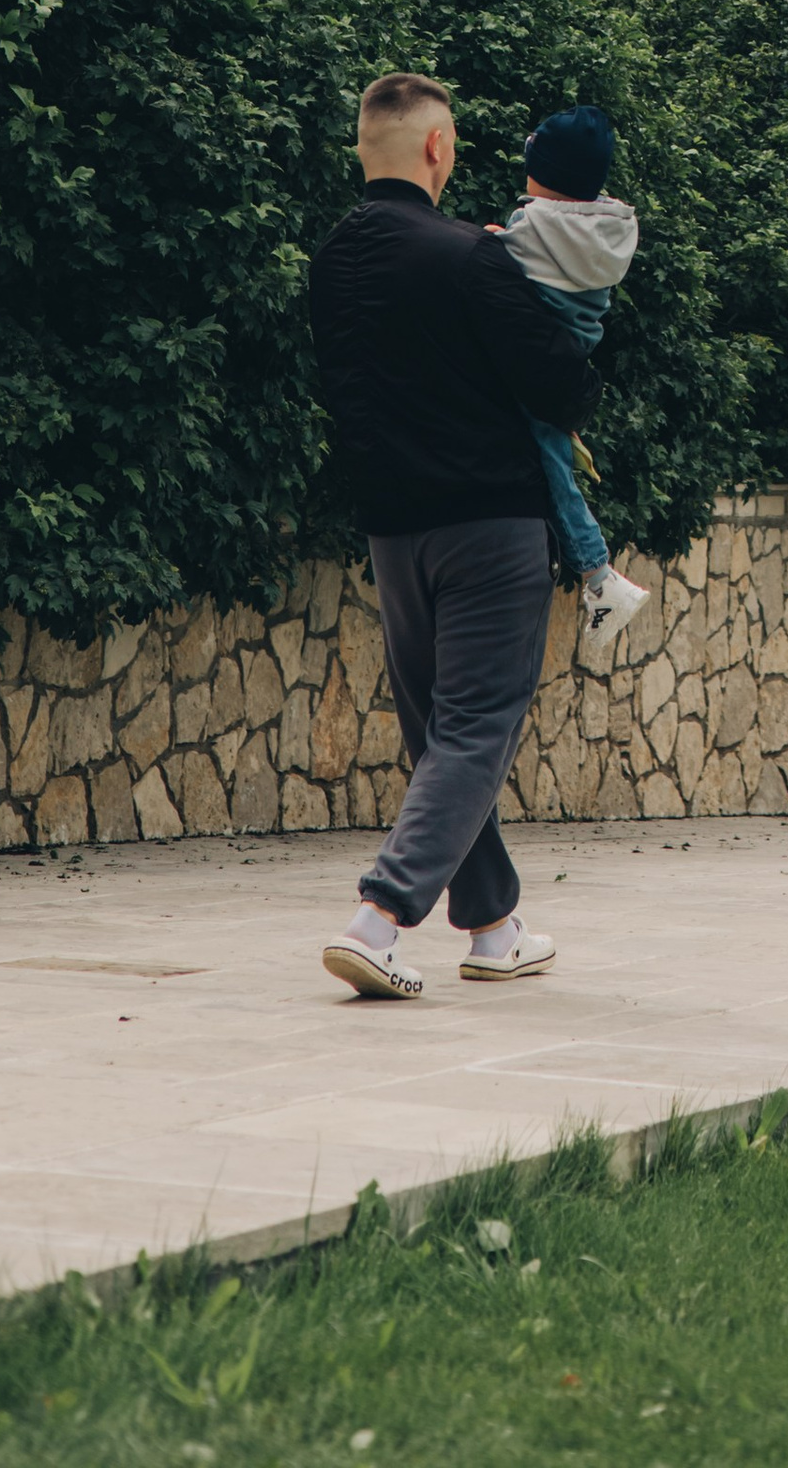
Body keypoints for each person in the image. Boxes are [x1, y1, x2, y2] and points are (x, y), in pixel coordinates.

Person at [307, 69, 600, 1001]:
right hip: (489, 526)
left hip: (393, 532)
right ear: (438, 147)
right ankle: (381, 919)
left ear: (365, 146)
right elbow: (564, 386)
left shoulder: (331, 262)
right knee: (477, 728)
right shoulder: (472, 257)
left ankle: (496, 927)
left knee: (444, 732)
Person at [494, 102, 653, 655]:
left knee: (553, 468)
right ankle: (599, 576)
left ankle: (599, 575)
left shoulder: (533, 223)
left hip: (544, 361)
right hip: (578, 346)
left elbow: (504, 267)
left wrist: (494, 241)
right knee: (558, 457)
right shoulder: (609, 222)